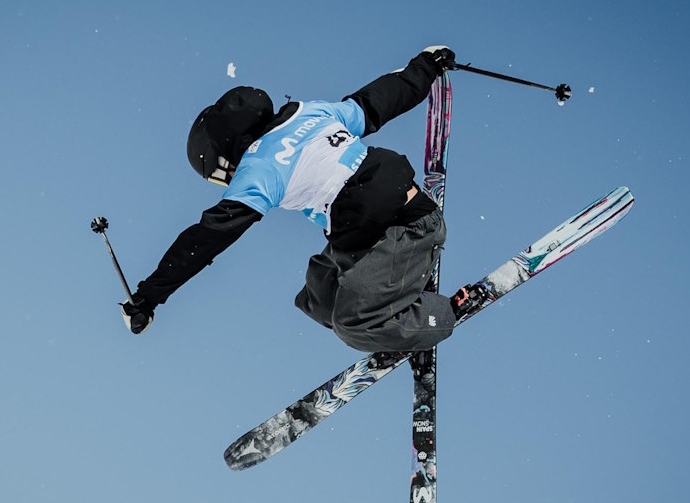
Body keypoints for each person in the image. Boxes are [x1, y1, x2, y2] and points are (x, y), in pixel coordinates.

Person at [120, 46, 485, 353]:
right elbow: (382, 98)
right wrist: (426, 64)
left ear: (226, 151)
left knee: (350, 322)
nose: (226, 180)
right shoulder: (312, 112)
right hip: (366, 232)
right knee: (318, 295)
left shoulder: (258, 168)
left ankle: (439, 314)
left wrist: (149, 296)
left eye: (219, 173)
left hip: (405, 229)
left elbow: (207, 238)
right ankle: (392, 316)